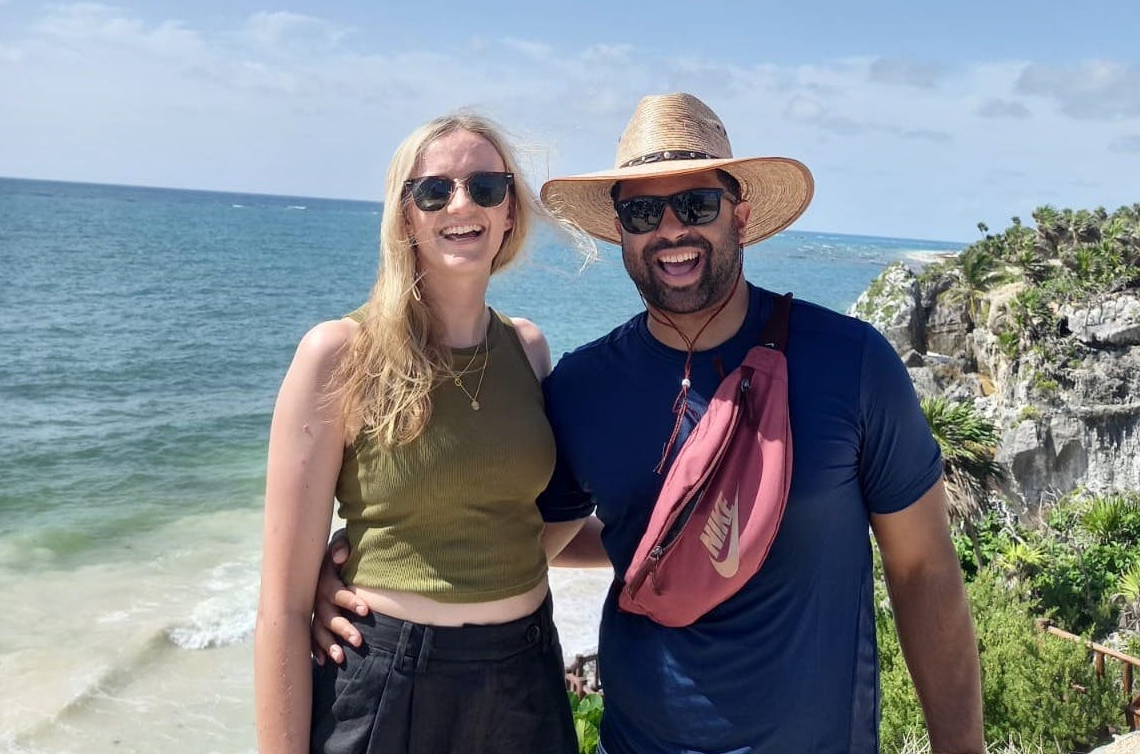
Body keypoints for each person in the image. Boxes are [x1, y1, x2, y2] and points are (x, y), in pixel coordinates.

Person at [314, 93, 984, 754]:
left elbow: (923, 569)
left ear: (740, 216)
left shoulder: (850, 362)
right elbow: (518, 541)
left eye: (696, 204)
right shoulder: (583, 386)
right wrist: (353, 581)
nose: (671, 230)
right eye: (642, 210)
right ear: (622, 232)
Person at [254, 112, 585, 754]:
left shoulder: (529, 350)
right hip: (389, 686)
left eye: (487, 187)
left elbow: (519, 527)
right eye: (434, 190)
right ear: (406, 215)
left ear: (511, 211)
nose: (462, 203)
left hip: (527, 679)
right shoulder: (339, 353)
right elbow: (282, 610)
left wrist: (669, 537)